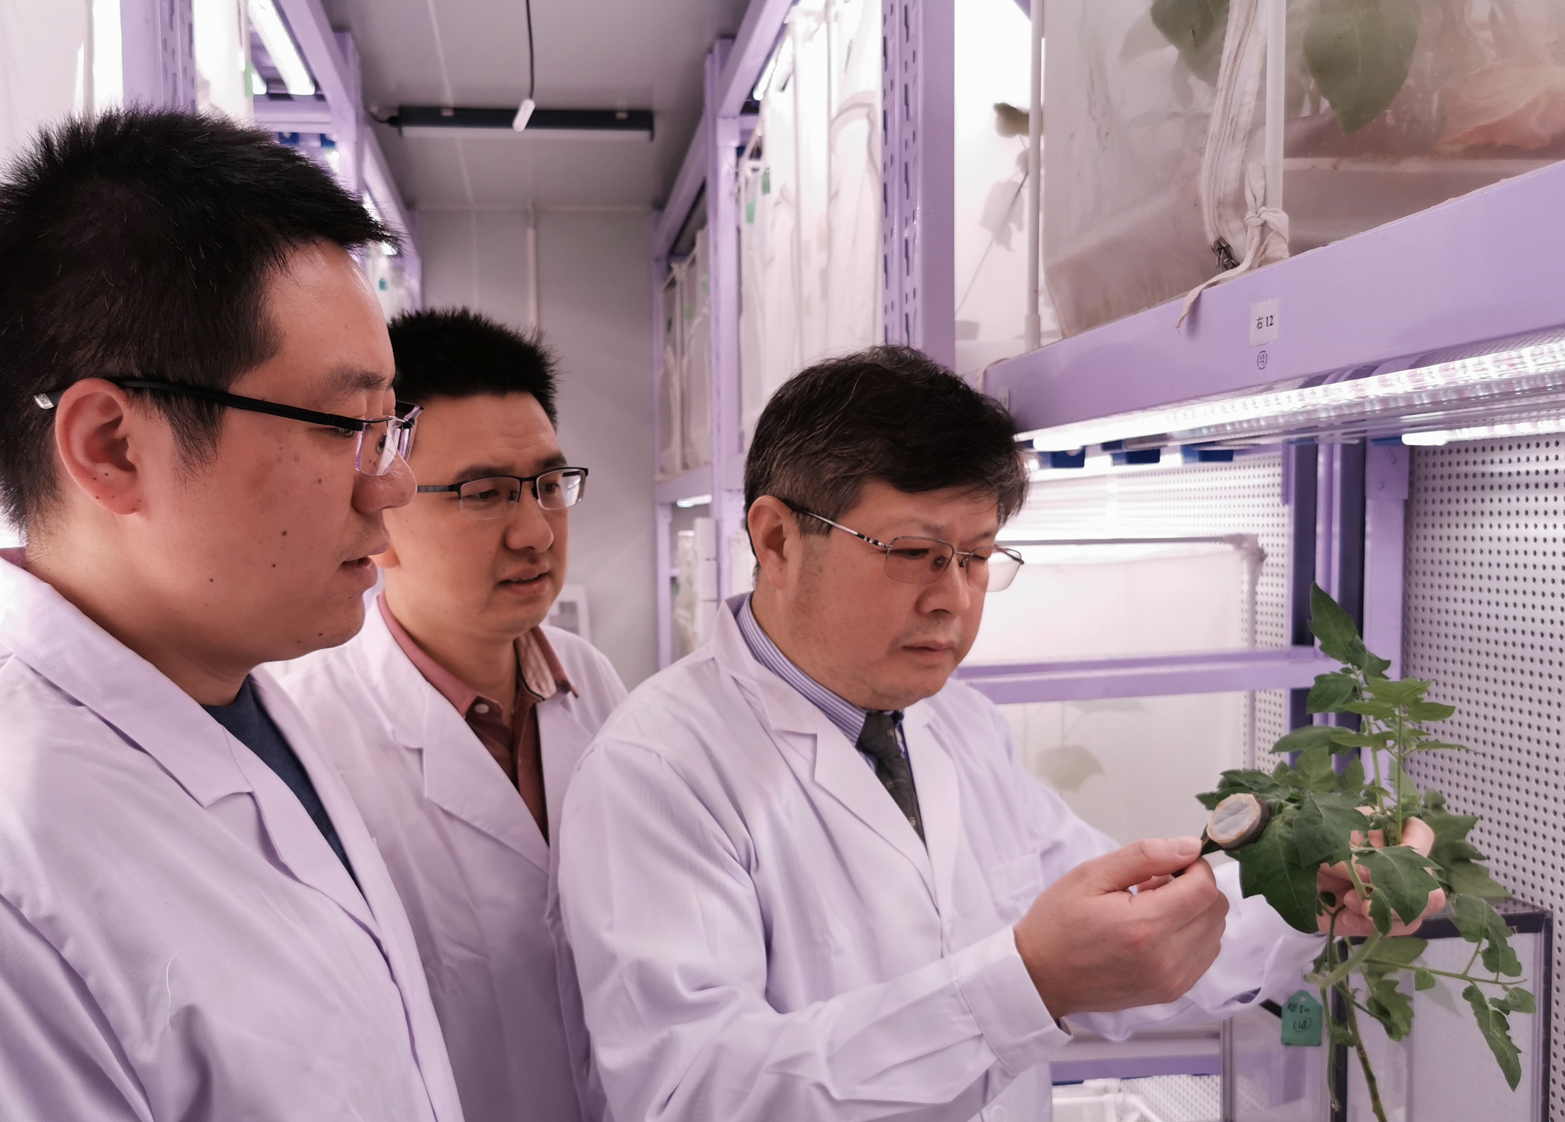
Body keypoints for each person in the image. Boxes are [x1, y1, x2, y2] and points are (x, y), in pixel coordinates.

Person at [556, 346, 1442, 1122]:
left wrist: (1304, 903)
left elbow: (1120, 941)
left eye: (978, 557)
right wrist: (1025, 984)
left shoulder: (955, 723)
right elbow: (693, 1097)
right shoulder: (657, 771)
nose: (952, 598)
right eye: (913, 553)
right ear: (777, 539)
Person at [0, 111, 462, 1121]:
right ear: (111, 447)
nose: (394, 484)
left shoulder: (233, 690)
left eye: (387, 425)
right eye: (343, 425)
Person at [277, 307, 626, 1122]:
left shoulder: (594, 683)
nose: (535, 532)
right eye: (484, 494)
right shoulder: (306, 733)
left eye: (548, 486)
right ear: (381, 510)